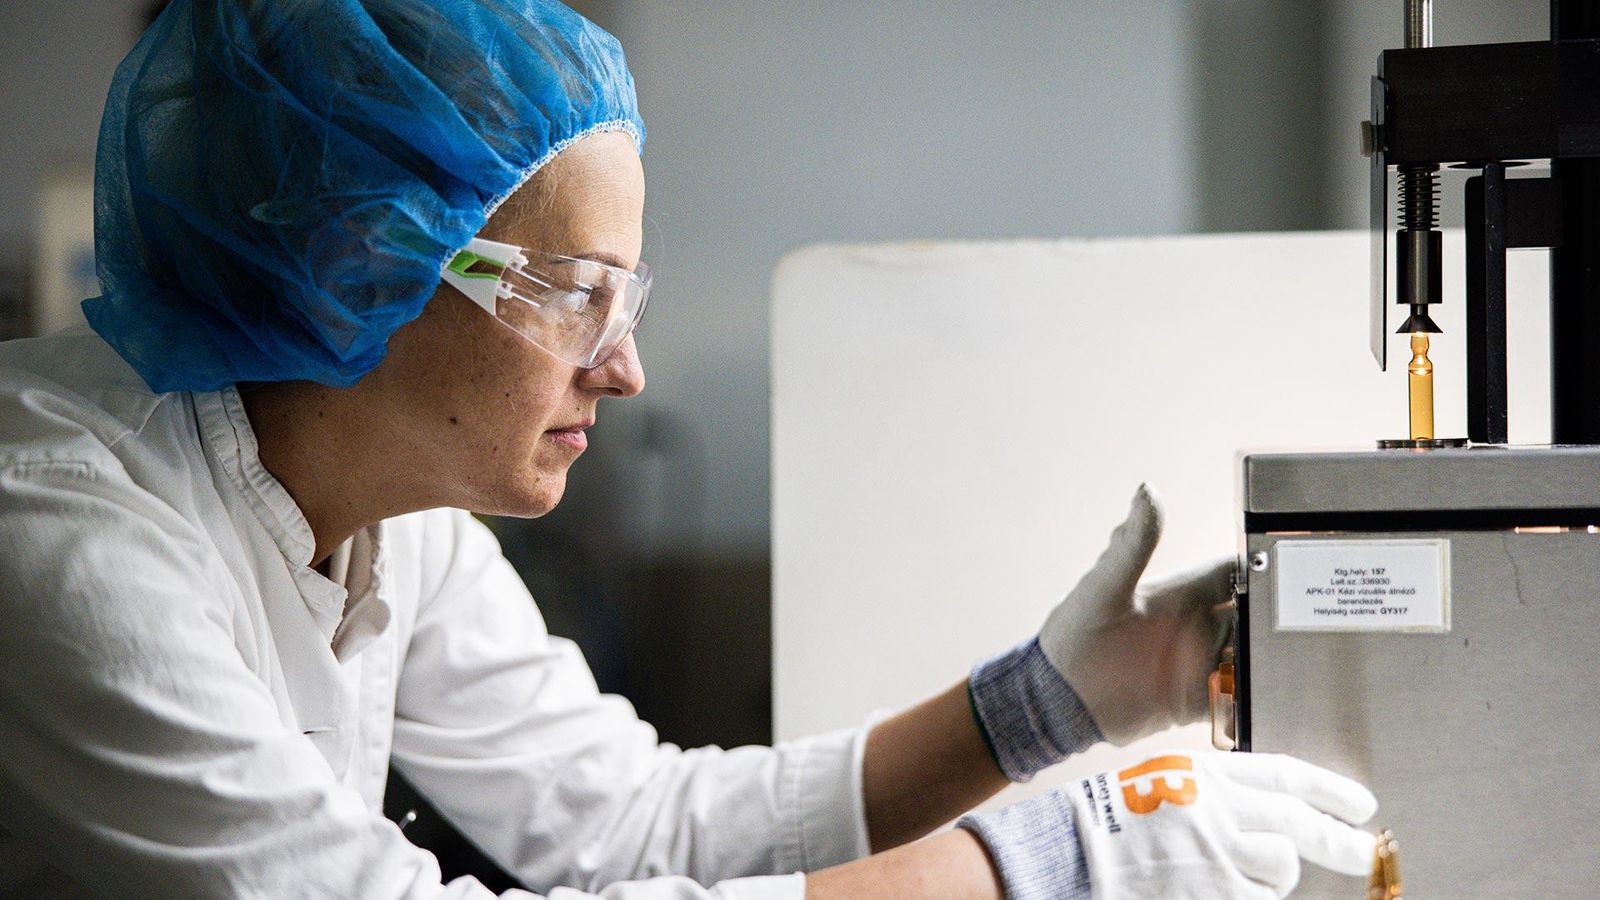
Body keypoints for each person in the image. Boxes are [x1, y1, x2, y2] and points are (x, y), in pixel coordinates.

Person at [0, 1, 1378, 897]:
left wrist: (1048, 709)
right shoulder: (64, 541)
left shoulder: (393, 521)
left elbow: (636, 827)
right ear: (374, 260)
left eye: (629, 299)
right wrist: (1044, 869)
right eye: (579, 295)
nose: (627, 367)